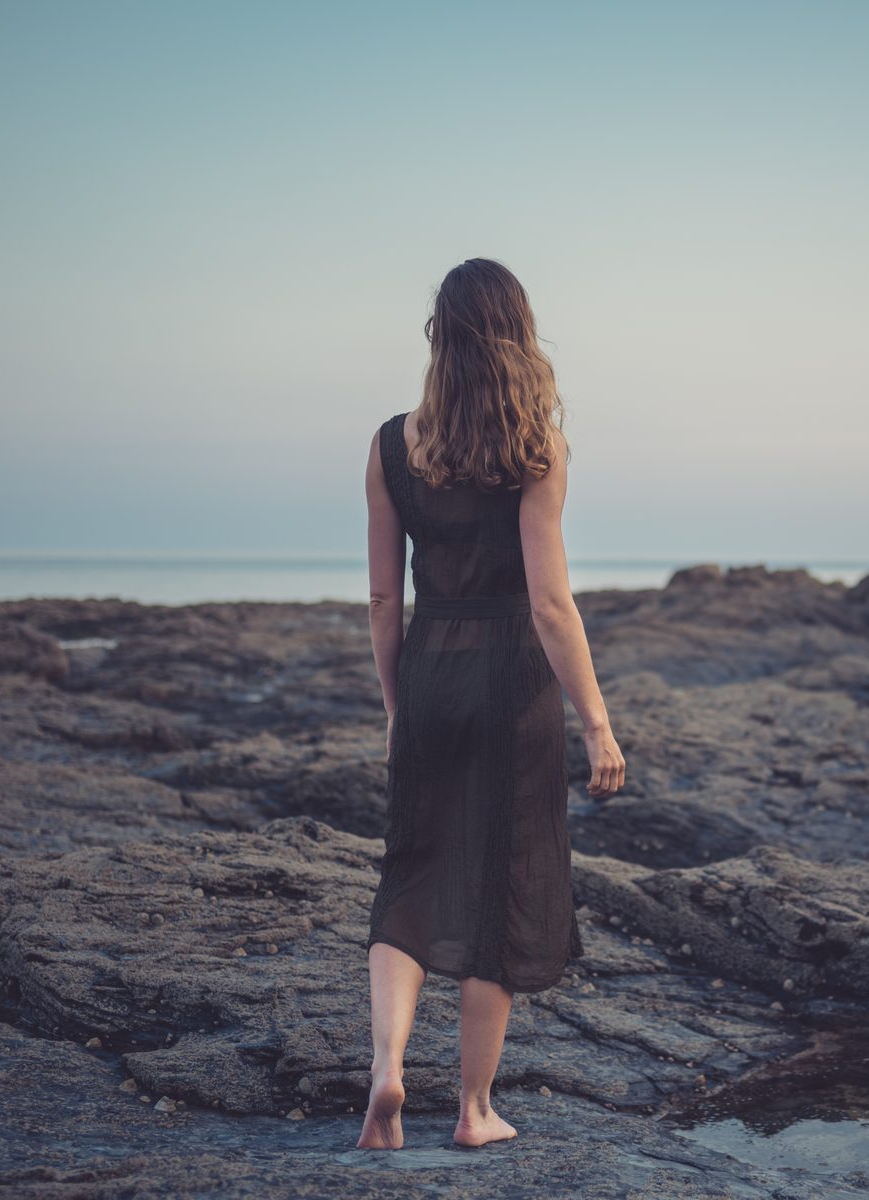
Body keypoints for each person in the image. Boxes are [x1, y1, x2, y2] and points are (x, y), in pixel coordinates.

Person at [356, 258, 625, 1151]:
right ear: (517, 336)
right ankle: (472, 1111)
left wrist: (399, 704)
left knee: (414, 874)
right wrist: (597, 721)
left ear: (439, 337)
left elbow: (384, 601)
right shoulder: (536, 450)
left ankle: (387, 1072)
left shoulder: (394, 444)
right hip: (512, 683)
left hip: (432, 669)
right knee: (501, 888)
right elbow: (551, 605)